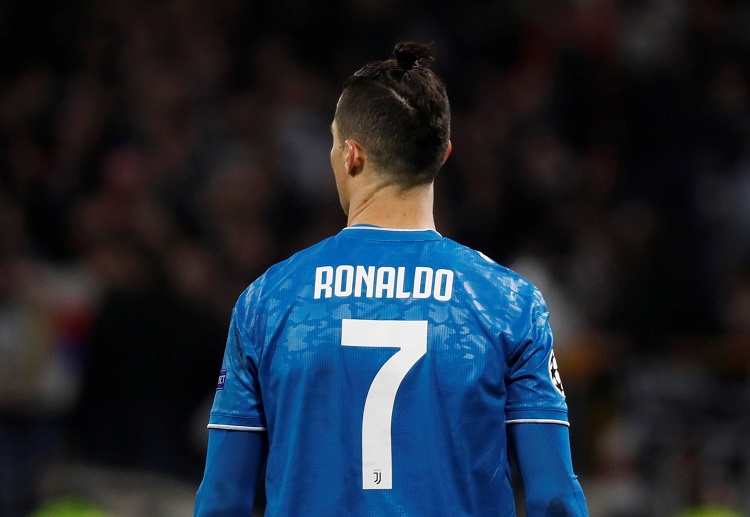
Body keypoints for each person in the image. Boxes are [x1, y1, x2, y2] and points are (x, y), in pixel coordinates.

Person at [194, 41, 588, 516]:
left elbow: (223, 499)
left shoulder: (268, 301)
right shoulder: (509, 303)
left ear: (351, 155)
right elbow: (554, 497)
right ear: (443, 154)